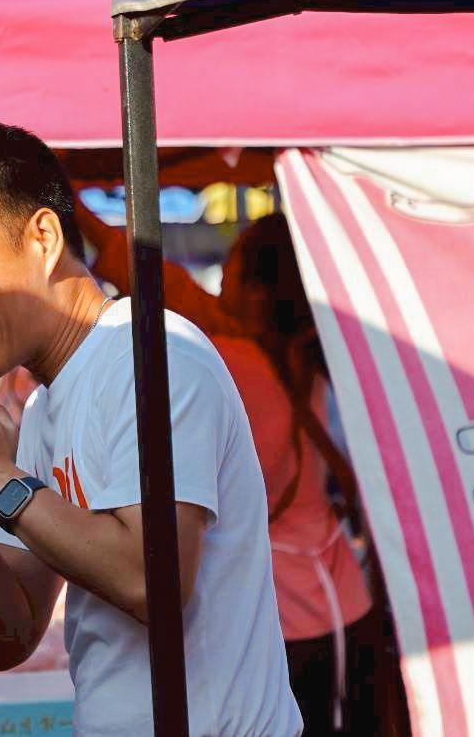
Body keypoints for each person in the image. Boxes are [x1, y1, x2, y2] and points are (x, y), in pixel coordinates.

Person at [0, 121, 302, 736]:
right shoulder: (46, 406)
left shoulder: (150, 353)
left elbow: (154, 581)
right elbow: (9, 636)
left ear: (42, 237)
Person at [74, 199, 380, 733]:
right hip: (344, 602)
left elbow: (155, 284)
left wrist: (74, 208)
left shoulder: (230, 360)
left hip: (275, 620)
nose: (218, 289)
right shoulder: (304, 355)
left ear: (258, 291)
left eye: (232, 269)